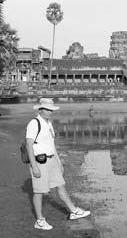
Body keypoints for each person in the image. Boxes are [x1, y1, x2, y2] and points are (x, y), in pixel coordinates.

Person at [26, 98, 90, 230]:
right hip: (40, 161)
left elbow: (51, 144)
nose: (50, 112)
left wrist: (58, 161)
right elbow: (29, 145)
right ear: (41, 110)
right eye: (47, 110)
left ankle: (73, 211)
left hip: (51, 160)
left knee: (61, 185)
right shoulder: (34, 123)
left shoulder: (48, 123)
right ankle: (39, 220)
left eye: (51, 110)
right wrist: (34, 165)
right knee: (39, 192)